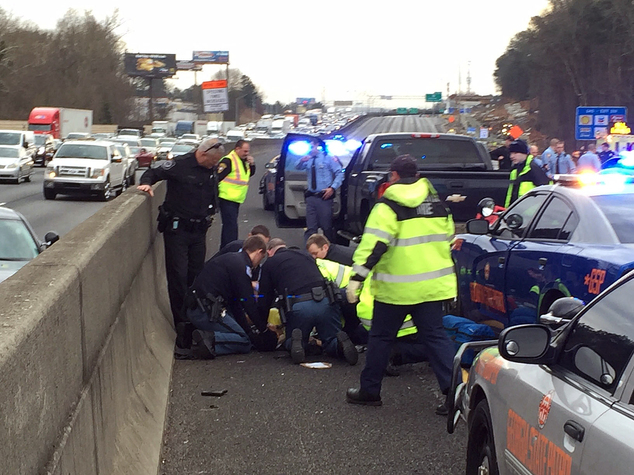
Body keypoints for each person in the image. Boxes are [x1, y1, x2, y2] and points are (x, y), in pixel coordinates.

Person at [345, 155, 457, 414]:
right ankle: (454, 395)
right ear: (416, 175)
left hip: (397, 288)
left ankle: (369, 391)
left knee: (381, 339)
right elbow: (449, 236)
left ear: (393, 176)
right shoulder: (437, 203)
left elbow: (373, 246)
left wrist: (356, 280)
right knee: (436, 338)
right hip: (431, 286)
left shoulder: (387, 206)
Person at [137, 138, 224, 357]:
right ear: (203, 154)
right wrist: (146, 183)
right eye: (212, 161)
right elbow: (154, 173)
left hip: (199, 231)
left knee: (195, 278)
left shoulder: (211, 168)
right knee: (178, 278)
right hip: (178, 230)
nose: (214, 166)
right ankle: (182, 329)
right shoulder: (180, 165)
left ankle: (194, 323)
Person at [257, 238, 358, 365]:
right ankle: (338, 344)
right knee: (330, 338)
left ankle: (297, 342)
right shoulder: (306, 255)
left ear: (269, 252)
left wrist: (262, 326)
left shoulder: (270, 264)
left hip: (299, 305)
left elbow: (265, 298)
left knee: (293, 337)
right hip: (326, 301)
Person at [184, 235, 277, 358]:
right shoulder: (242, 268)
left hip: (199, 307)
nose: (259, 264)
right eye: (262, 258)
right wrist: (264, 331)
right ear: (260, 252)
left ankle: (193, 333)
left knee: (243, 333)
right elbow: (248, 302)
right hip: (205, 311)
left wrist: (249, 331)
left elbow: (236, 304)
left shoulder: (231, 260)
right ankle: (206, 339)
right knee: (244, 341)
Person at [295, 140, 343, 243]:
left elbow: (340, 173)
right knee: (311, 228)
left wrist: (332, 188)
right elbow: (297, 167)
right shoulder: (308, 159)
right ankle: (309, 252)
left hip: (324, 197)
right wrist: (302, 160)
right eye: (309, 147)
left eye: (312, 147)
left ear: (318, 146)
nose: (311, 150)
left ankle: (328, 250)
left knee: (326, 227)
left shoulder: (328, 157)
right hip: (311, 197)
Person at [217, 139, 256, 250]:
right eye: (244, 151)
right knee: (231, 227)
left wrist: (252, 164)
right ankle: (229, 250)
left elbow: (249, 174)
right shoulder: (228, 161)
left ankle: (227, 249)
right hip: (226, 198)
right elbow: (216, 177)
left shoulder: (243, 161)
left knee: (230, 226)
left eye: (248, 151)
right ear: (237, 149)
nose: (247, 153)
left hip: (235, 199)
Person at [505, 139, 550, 207]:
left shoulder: (533, 169)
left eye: (515, 153)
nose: (511, 156)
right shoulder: (515, 170)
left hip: (530, 215)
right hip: (517, 211)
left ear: (524, 153)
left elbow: (546, 191)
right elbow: (511, 194)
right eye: (511, 153)